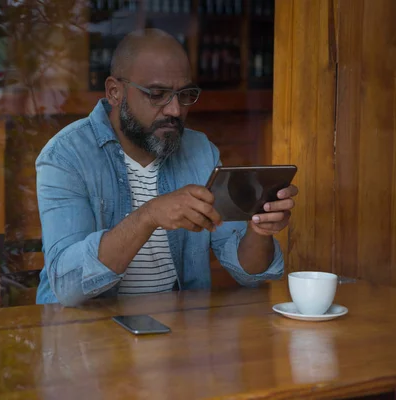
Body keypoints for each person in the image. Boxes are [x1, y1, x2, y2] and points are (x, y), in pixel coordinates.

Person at [34, 29, 298, 306]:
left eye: (184, 95)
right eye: (158, 94)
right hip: (86, 336)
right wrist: (149, 216)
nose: (174, 110)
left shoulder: (200, 152)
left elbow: (250, 274)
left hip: (176, 330)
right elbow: (68, 285)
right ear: (115, 92)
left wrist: (260, 230)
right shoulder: (66, 155)